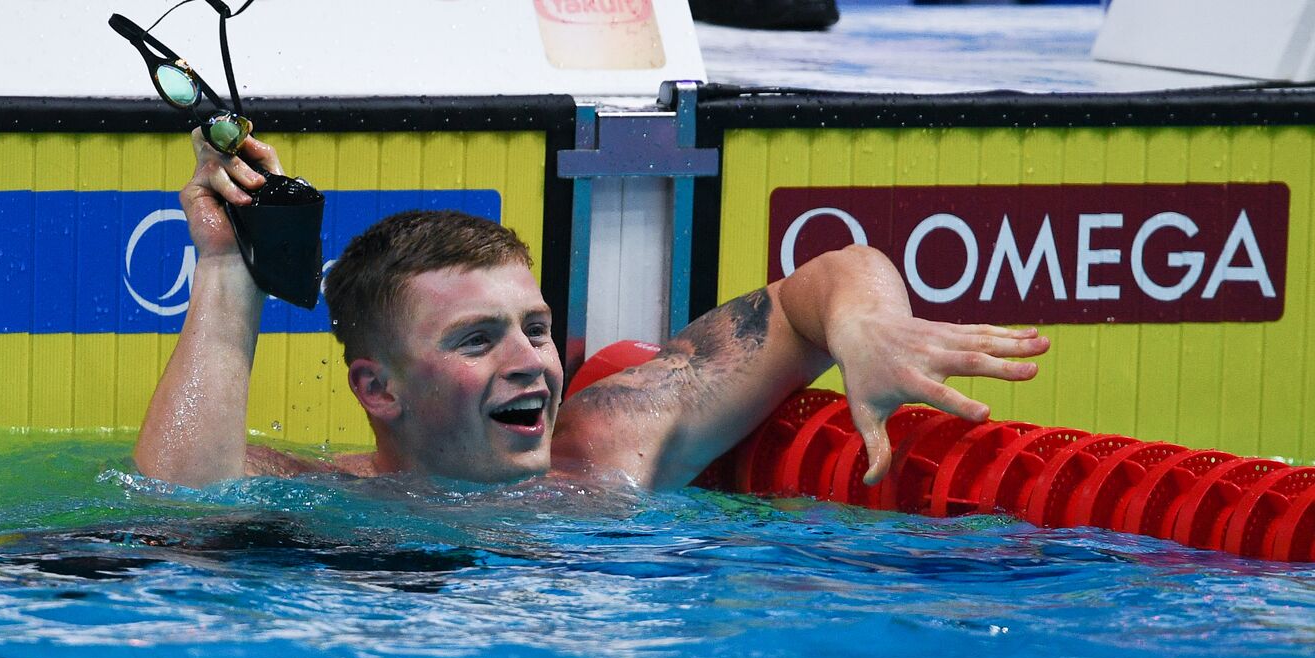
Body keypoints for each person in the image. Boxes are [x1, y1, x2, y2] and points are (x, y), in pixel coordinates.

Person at [134, 131, 1050, 491]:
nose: (530, 360)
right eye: (477, 340)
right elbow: (179, 504)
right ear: (379, 389)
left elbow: (833, 274)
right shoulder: (325, 500)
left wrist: (869, 327)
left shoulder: (609, 447)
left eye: (534, 327)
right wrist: (226, 267)